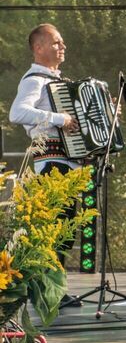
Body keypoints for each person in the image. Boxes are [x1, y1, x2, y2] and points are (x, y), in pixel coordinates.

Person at [9, 24, 84, 307]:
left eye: (62, 42)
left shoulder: (58, 80)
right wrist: (58, 118)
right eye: (56, 42)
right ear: (39, 47)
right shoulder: (34, 79)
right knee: (54, 231)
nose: (62, 46)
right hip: (50, 162)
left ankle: (54, 290)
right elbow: (18, 112)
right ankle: (47, 292)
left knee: (63, 233)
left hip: (67, 162)